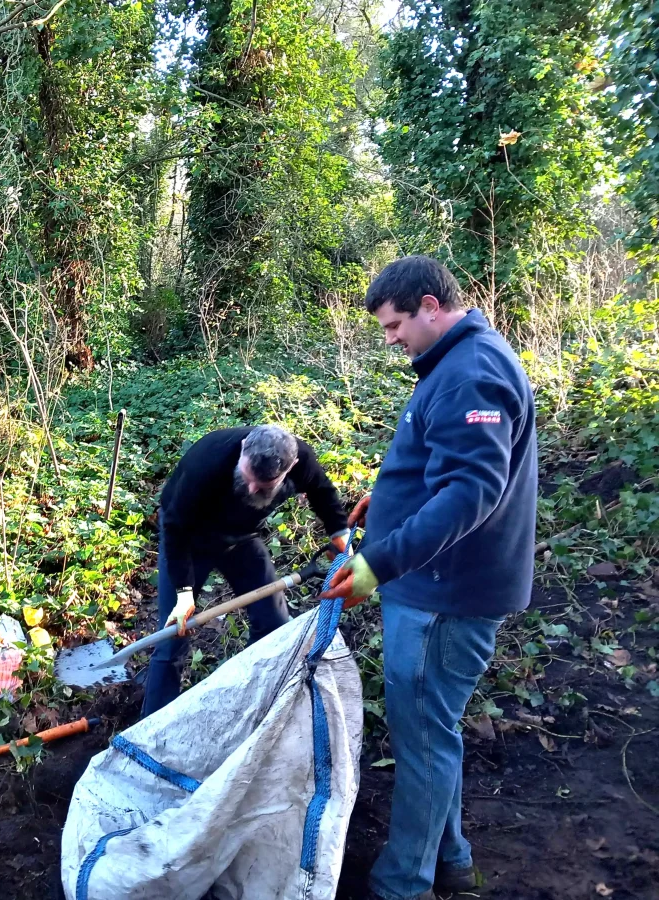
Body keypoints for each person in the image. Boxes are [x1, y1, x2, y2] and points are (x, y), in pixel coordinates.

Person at [323, 256, 538, 900]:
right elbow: (438, 469)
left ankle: (402, 884)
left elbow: (470, 491)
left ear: (429, 305)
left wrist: (377, 563)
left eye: (395, 326)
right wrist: (384, 501)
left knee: (421, 737)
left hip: (443, 594)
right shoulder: (456, 364)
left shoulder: (472, 372)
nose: (392, 340)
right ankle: (451, 860)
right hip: (435, 584)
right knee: (431, 728)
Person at [143, 424, 350, 717]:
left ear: (291, 467)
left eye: (264, 486)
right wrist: (184, 593)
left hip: (240, 539)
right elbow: (175, 528)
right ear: (242, 450)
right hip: (188, 543)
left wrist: (339, 531)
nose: (252, 489)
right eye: (248, 478)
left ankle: (253, 705)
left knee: (275, 623)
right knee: (173, 637)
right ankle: (151, 729)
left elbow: (322, 492)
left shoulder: (301, 459)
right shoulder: (207, 462)